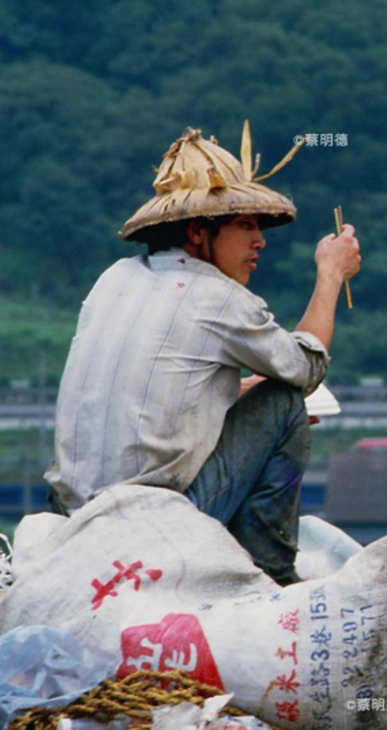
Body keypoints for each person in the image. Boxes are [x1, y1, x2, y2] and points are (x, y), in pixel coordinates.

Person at [45, 125, 361, 585]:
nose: (260, 241)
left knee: (257, 392)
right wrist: (330, 275)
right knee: (283, 402)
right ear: (197, 231)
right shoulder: (216, 296)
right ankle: (271, 577)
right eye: (245, 225)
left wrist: (238, 390)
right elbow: (305, 368)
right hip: (147, 533)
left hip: (72, 520)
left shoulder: (114, 279)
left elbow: (165, 385)